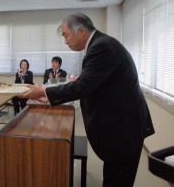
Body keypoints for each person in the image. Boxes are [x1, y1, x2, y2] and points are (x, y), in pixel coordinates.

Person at [21, 13, 155, 187]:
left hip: (123, 130)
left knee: (117, 181)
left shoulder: (102, 48)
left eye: (66, 35)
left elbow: (83, 86)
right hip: (123, 126)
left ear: (81, 31)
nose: (65, 41)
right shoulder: (99, 45)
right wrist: (48, 91)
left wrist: (45, 91)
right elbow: (89, 83)